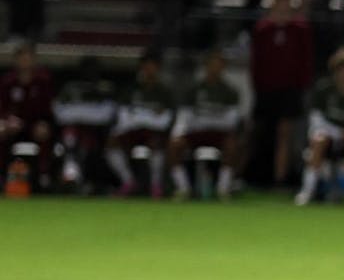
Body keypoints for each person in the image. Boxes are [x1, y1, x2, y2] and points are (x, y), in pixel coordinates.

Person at [250, 0, 315, 187]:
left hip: (290, 89)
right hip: (265, 89)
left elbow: (306, 60)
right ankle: (254, 175)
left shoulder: (300, 29)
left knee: (285, 133)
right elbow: (256, 61)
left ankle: (280, 178)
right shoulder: (262, 29)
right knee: (260, 132)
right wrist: (257, 85)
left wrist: (302, 85)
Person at [167, 48, 243, 201]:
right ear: (206, 66)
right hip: (196, 132)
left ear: (223, 68)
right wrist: (180, 132)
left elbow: (230, 121)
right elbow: (185, 117)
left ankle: (223, 189)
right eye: (212, 64)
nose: (215, 68)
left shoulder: (230, 92)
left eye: (218, 65)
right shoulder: (194, 90)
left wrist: (204, 118)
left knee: (232, 145)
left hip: (219, 134)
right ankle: (183, 188)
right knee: (174, 145)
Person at [295, 47, 344, 205]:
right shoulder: (324, 89)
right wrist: (335, 132)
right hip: (326, 136)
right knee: (319, 140)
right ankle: (307, 191)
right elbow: (316, 120)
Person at [105, 50, 174, 198]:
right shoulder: (131, 90)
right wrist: (148, 116)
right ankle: (128, 182)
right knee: (112, 142)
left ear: (158, 68)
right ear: (141, 68)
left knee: (156, 142)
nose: (149, 70)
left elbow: (167, 118)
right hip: (132, 130)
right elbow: (123, 115)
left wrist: (143, 117)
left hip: (154, 132)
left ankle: (155, 185)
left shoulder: (164, 91)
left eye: (153, 66)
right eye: (146, 66)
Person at [53, 55, 117, 190]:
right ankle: (70, 176)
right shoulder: (71, 87)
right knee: (69, 136)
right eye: (86, 69)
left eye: (93, 69)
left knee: (97, 147)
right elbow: (59, 112)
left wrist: (79, 113)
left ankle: (95, 182)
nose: (89, 72)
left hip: (98, 135)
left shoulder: (105, 88)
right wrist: (86, 113)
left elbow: (107, 114)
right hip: (73, 133)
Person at [0, 41, 56, 187]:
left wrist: (44, 123)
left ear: (33, 59)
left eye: (28, 58)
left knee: (45, 133)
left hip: (35, 125)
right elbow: (3, 108)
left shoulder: (43, 80)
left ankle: (44, 175)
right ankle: (2, 175)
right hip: (14, 126)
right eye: (21, 58)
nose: (25, 61)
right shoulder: (8, 82)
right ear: (16, 60)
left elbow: (48, 109)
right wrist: (6, 122)